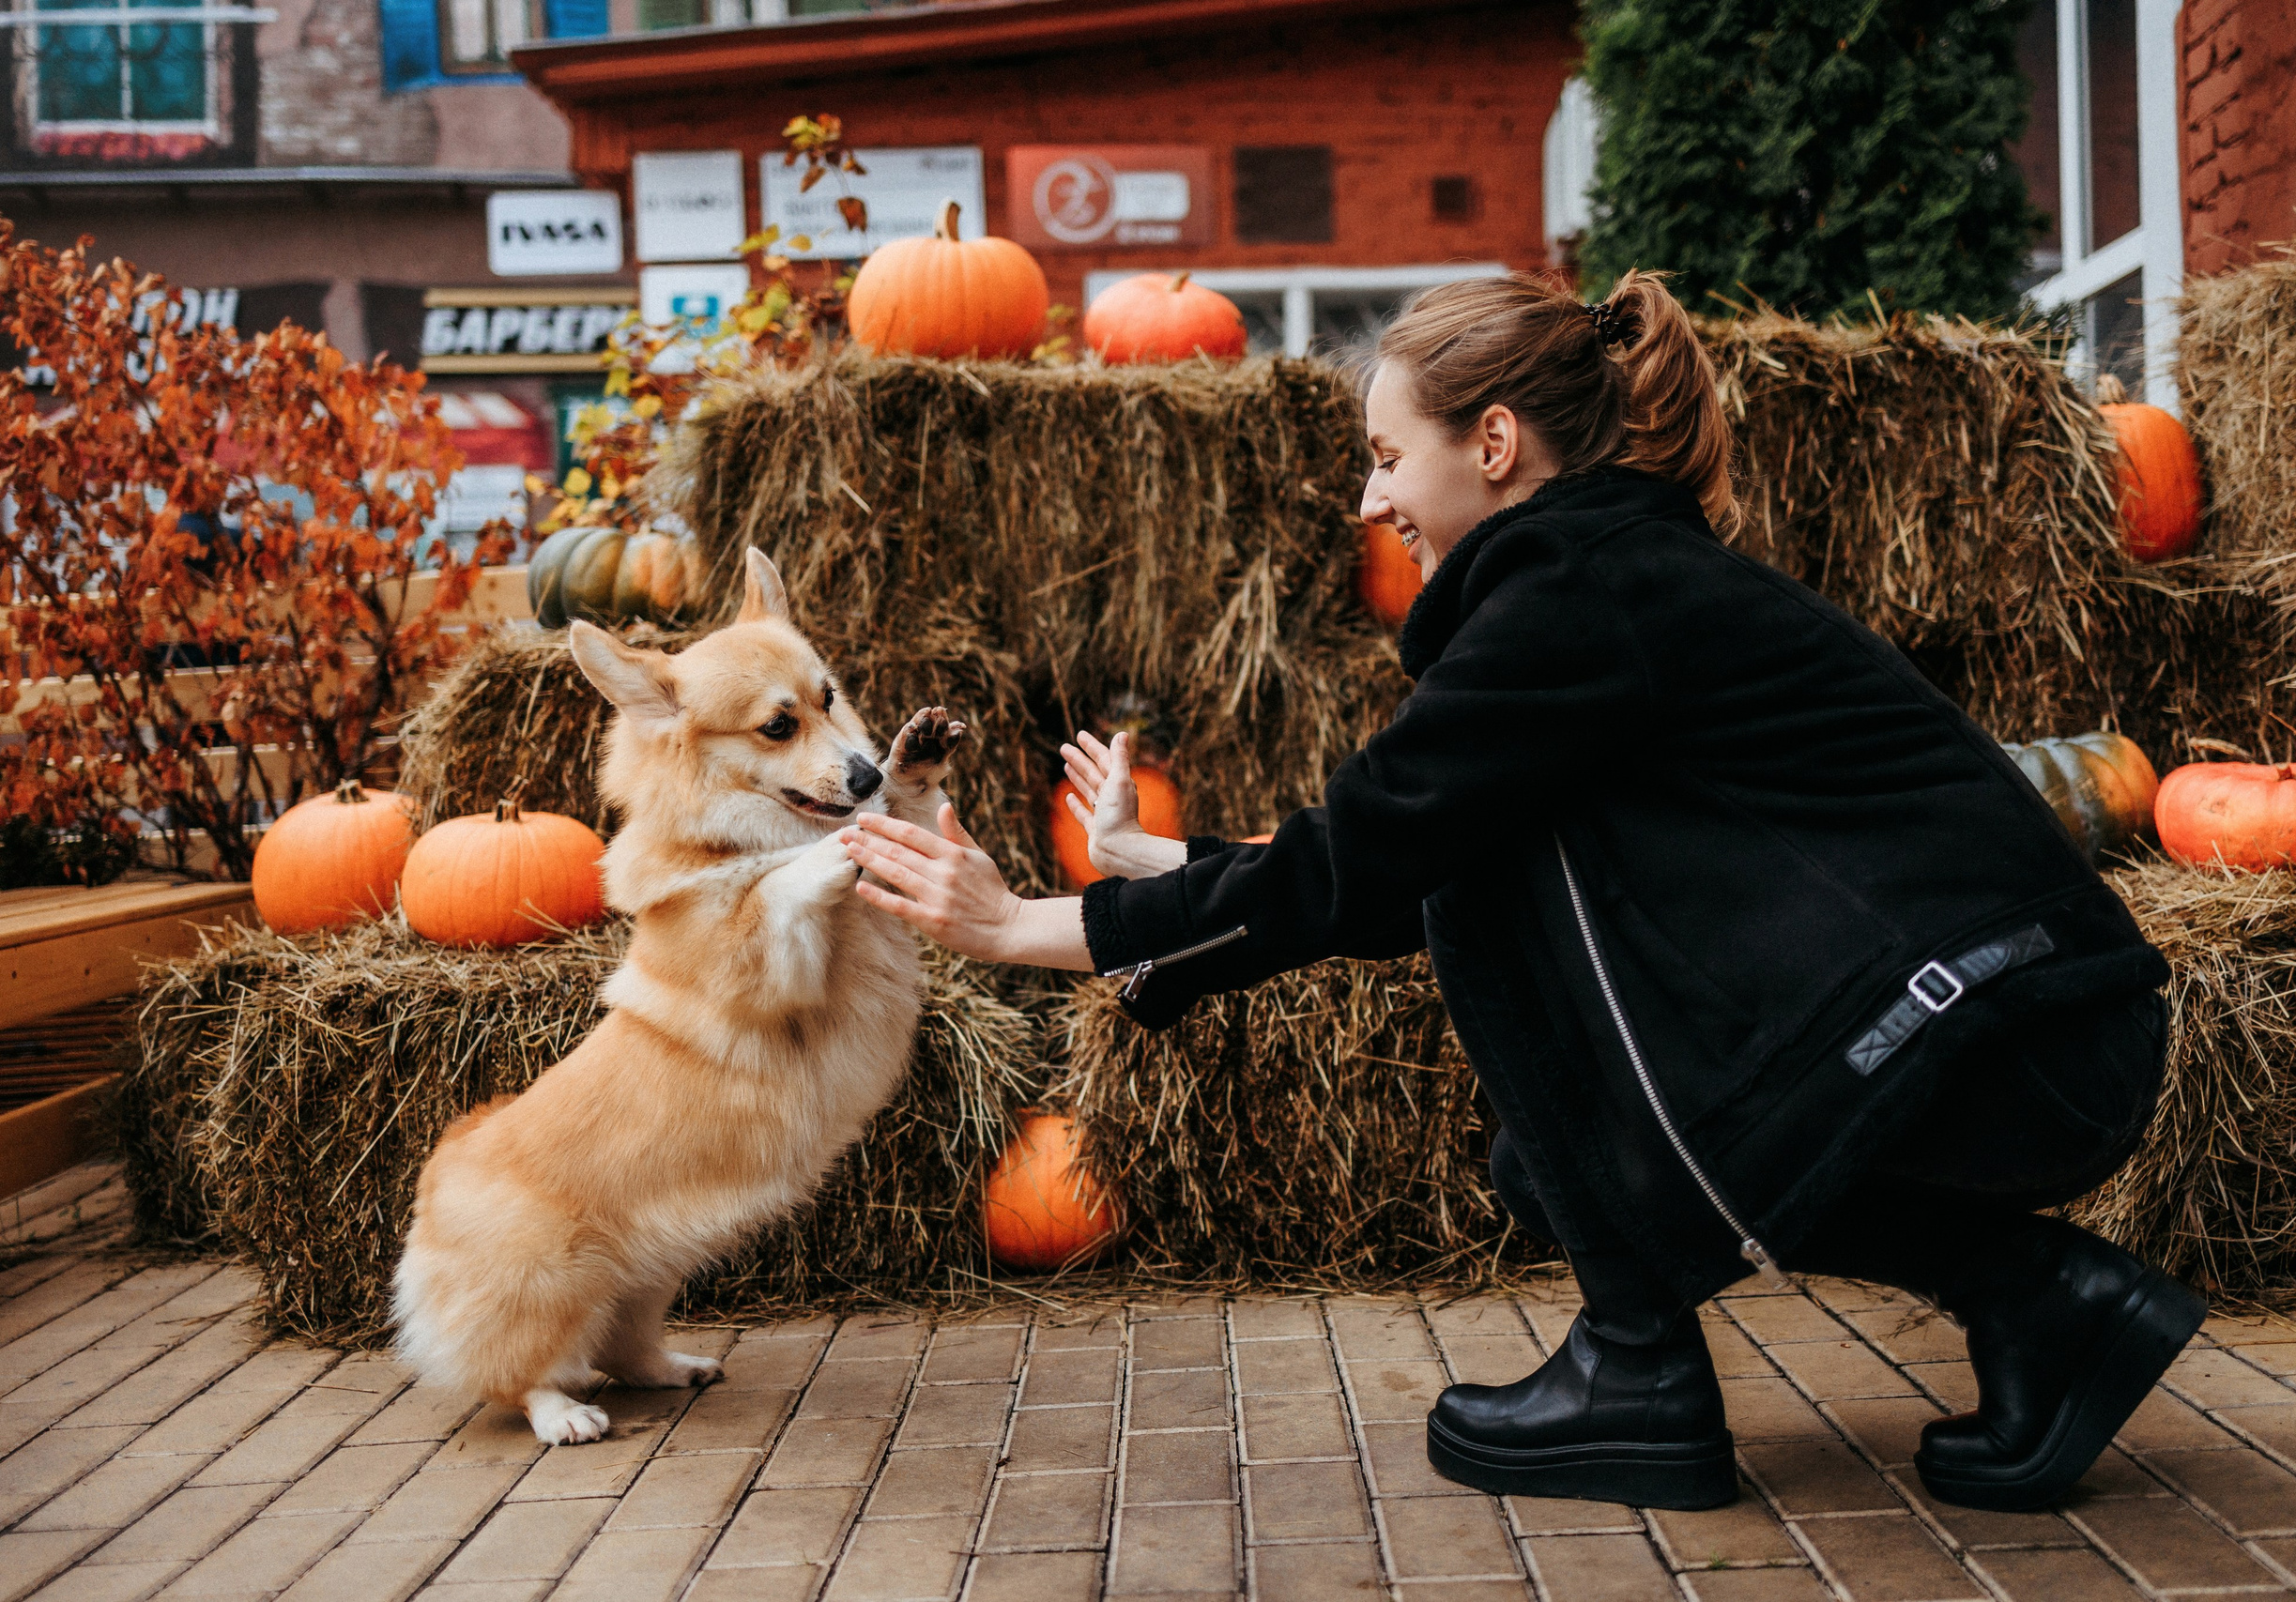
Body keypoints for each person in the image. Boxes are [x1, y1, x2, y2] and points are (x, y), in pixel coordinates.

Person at [836, 271, 2198, 1515]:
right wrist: (1162, 867)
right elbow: (1387, 864)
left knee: (1504, 954)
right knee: (1553, 1161)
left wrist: (1028, 926)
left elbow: (1385, 856)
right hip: (2014, 1029)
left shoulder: (1578, 593)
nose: (1368, 504)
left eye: (1386, 459)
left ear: (1493, 444)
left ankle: (1639, 1370)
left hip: (2016, 1042)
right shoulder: (1606, 580)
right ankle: (2040, 1300)